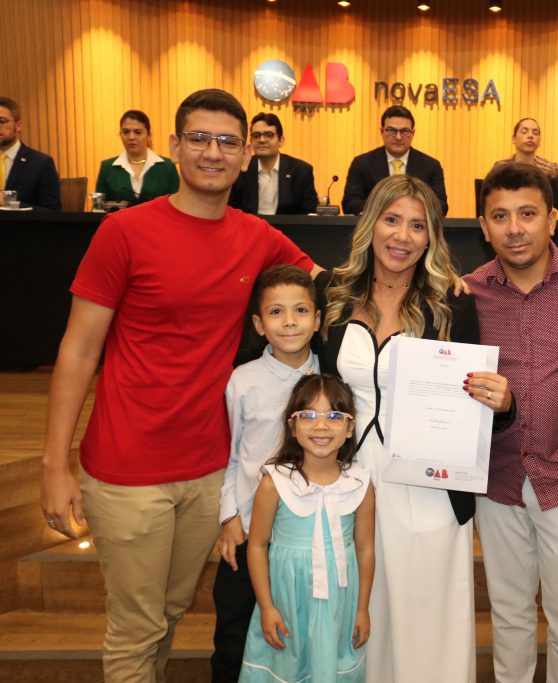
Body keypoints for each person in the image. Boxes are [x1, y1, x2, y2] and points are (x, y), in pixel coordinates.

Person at [39, 88, 322, 683]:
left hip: (208, 470)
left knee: (168, 614)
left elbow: (332, 284)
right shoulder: (124, 232)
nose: (213, 153)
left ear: (245, 154)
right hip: (128, 467)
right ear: (174, 146)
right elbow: (78, 351)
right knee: (136, 629)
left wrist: (439, 280)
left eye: (227, 142)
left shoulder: (257, 236)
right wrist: (54, 465)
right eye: (199, 138)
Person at [319, 174, 513, 683]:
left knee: (428, 622)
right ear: (370, 223)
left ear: (431, 238)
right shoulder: (332, 294)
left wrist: (502, 403)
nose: (402, 236)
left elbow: (475, 400)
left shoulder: (452, 303)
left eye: (418, 226)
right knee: (360, 615)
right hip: (349, 483)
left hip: (429, 488)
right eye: (392, 220)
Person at [467, 163, 558, 683]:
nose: (514, 228)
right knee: (509, 618)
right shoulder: (468, 294)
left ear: (552, 219)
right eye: (500, 216)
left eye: (527, 214)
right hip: (497, 480)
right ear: (483, 226)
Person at [211, 265, 322, 682]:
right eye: (276, 312)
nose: (289, 321)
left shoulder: (331, 380)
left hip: (307, 537)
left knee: (300, 637)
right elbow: (233, 455)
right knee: (233, 636)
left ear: (318, 319)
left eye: (300, 310)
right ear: (259, 325)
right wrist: (229, 517)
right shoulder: (242, 382)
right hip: (249, 533)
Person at [239, 374, 375, 682]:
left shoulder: (360, 484)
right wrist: (267, 607)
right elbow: (257, 546)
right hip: (288, 602)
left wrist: (362, 609)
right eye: (309, 415)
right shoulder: (274, 483)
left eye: (334, 416)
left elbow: (365, 548)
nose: (321, 426)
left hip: (340, 605)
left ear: (350, 427)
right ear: (293, 426)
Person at [342, 105, 448, 216]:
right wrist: (387, 208)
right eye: (391, 130)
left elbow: (441, 205)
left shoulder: (431, 166)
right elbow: (350, 203)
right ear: (382, 131)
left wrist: (410, 209)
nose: (398, 137)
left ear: (413, 133)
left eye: (405, 131)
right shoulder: (362, 163)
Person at [229, 112, 319, 215]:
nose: (262, 140)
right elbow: (229, 209)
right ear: (251, 141)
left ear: (281, 141)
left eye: (269, 135)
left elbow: (310, 213)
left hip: (288, 225)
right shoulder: (240, 169)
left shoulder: (301, 171)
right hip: (249, 225)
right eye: (256, 135)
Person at [95, 109, 180, 206]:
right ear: (120, 134)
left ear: (149, 135)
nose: (131, 137)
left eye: (138, 132)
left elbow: (177, 205)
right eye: (126, 132)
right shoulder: (107, 168)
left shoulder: (167, 167)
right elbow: (98, 208)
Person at [490, 117, 558, 213]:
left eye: (535, 133)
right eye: (524, 132)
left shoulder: (550, 169)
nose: (530, 136)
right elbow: (491, 201)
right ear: (513, 139)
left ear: (539, 141)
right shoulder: (501, 167)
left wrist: (554, 178)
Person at [0, 96, 60, 210]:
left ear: (18, 126)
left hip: (19, 222)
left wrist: (8, 204)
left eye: (2, 121)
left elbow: (52, 212)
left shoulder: (41, 163)